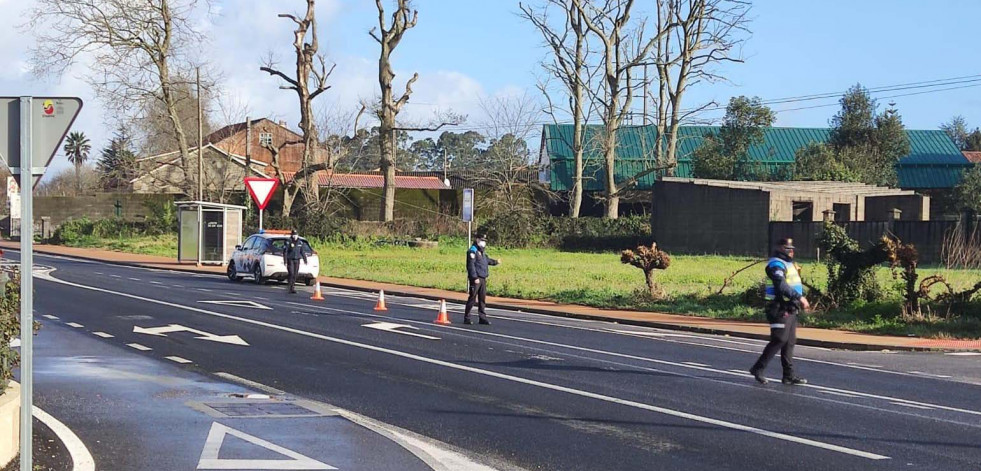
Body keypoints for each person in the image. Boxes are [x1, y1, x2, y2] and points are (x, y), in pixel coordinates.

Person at [750, 238, 810, 385]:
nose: (791, 251)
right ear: (780, 249)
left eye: (792, 248)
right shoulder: (775, 264)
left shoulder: (789, 264)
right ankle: (758, 368)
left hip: (790, 307)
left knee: (789, 342)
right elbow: (781, 285)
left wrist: (797, 301)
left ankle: (788, 376)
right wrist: (800, 298)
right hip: (778, 307)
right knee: (779, 339)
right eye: (787, 248)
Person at [464, 234, 500, 325]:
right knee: (472, 298)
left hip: (483, 278)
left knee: (482, 299)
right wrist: (474, 277)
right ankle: (467, 317)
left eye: (484, 240)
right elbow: (471, 266)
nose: (483, 242)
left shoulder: (482, 252)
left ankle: (482, 317)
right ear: (477, 240)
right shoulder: (472, 251)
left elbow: (487, 261)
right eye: (481, 240)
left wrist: (496, 262)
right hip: (476, 279)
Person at [283, 229, 308, 294]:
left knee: (295, 274)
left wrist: (305, 260)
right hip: (290, 259)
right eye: (293, 235)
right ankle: (290, 287)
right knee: (291, 273)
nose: (294, 236)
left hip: (297, 259)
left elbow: (302, 251)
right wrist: (285, 261)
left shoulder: (300, 242)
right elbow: (285, 252)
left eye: (296, 235)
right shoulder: (288, 241)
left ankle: (292, 287)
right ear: (291, 235)